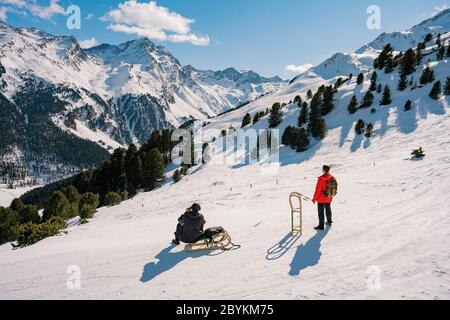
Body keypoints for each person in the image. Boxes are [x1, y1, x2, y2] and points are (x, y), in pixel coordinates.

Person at [312, 165, 334, 231]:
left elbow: (318, 190)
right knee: (328, 209)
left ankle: (321, 226)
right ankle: (329, 221)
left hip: (321, 198)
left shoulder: (321, 179)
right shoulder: (332, 177)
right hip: (329, 197)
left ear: (323, 170)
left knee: (321, 212)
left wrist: (314, 198)